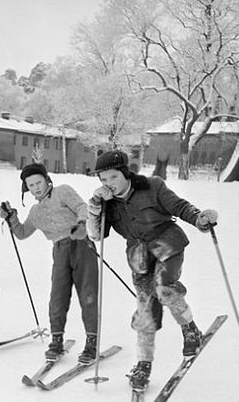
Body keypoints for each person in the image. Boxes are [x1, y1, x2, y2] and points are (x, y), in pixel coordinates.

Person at [86, 150, 218, 392]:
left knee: (164, 288)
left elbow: (180, 206)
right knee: (145, 311)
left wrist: (199, 218)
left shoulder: (152, 186)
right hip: (139, 257)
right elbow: (95, 235)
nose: (108, 184)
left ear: (125, 173)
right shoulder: (107, 204)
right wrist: (95, 207)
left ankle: (190, 331)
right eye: (103, 180)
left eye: (113, 177)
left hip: (167, 244)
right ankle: (143, 364)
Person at [0, 163, 98, 364]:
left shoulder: (63, 192)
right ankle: (56, 340)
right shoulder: (36, 211)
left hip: (81, 244)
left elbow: (82, 208)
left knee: (87, 294)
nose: (36, 187)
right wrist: (11, 217)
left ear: (46, 180)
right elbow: (22, 233)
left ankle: (92, 342)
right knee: (57, 297)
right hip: (60, 251)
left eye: (38, 182)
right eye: (31, 185)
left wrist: (81, 224)